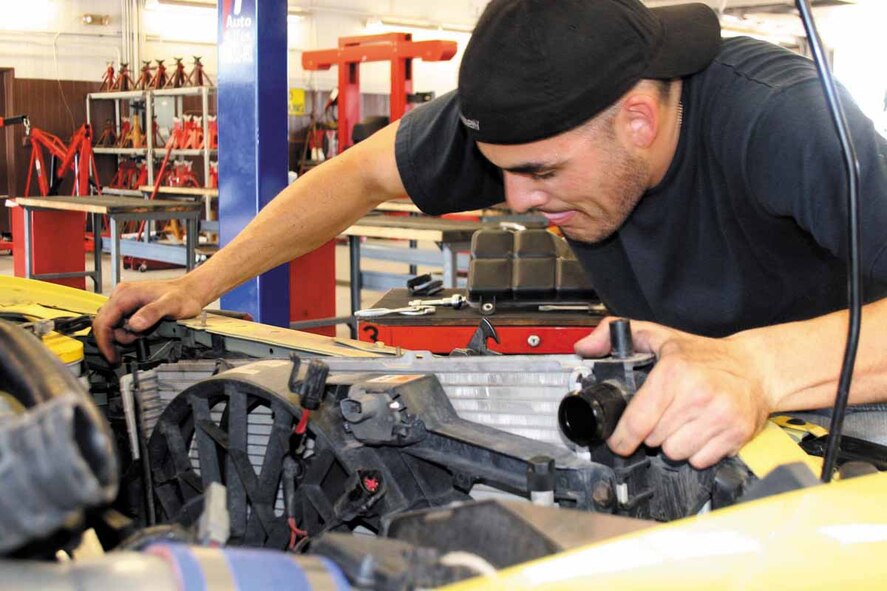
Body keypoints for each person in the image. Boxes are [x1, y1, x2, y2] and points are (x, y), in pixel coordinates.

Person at [94, 0, 887, 469]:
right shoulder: (534, 119)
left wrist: (754, 368)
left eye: (541, 171)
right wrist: (199, 282)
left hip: (846, 414)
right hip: (685, 413)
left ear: (638, 120)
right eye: (502, 171)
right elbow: (356, 174)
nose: (515, 200)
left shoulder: (787, 121)